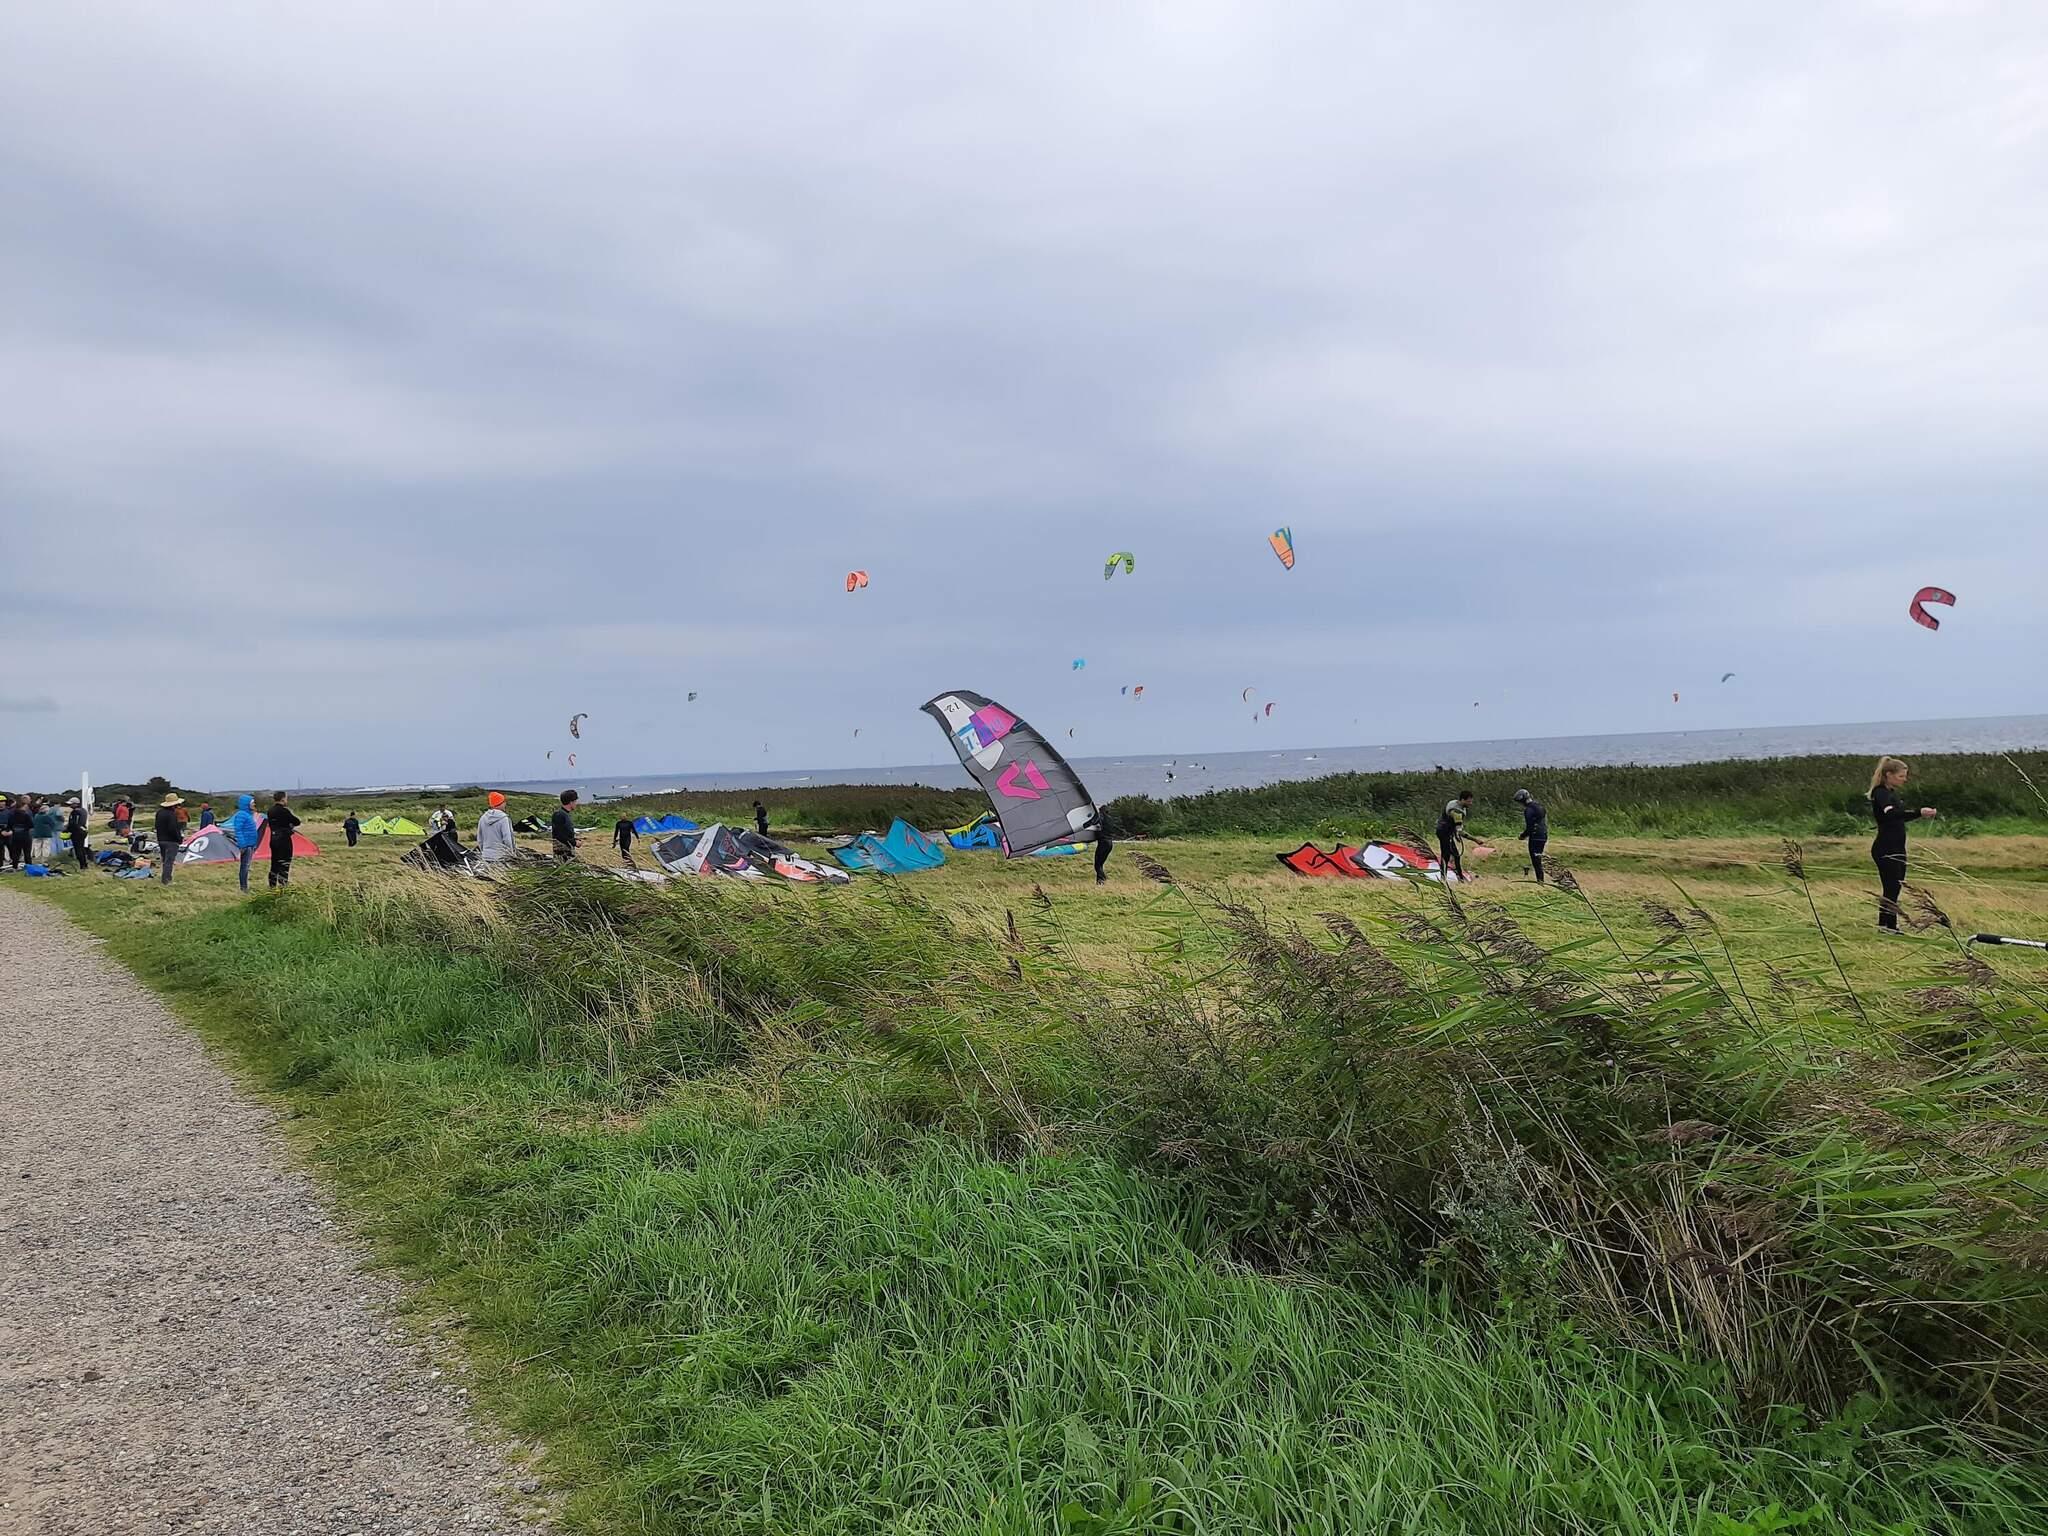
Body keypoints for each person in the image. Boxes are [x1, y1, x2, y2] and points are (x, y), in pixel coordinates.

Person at [1870, 757, 1936, 932]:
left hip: (1897, 847)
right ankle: (1889, 926)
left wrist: (1920, 814)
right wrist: (1918, 812)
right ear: (1889, 775)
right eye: (1901, 776)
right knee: (1891, 887)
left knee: (1895, 886)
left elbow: (1898, 816)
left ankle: (1885, 925)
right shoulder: (1880, 793)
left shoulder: (1892, 793)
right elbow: (1891, 814)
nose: (1904, 780)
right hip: (1886, 848)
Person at [1436, 789, 1476, 882]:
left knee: (1456, 855)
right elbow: (1460, 830)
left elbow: (1454, 826)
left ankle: (1460, 877)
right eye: (1468, 801)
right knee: (1446, 855)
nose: (1470, 803)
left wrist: (1455, 835)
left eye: (1471, 801)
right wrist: (1476, 840)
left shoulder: (1454, 803)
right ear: (1462, 800)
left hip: (1448, 832)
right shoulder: (1456, 812)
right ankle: (1443, 878)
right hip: (1443, 832)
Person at [1513, 788, 1549, 884]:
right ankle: (1541, 880)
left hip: (1535, 837)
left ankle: (1540, 881)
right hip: (1543, 835)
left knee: (1536, 860)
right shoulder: (1540, 806)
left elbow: (1530, 827)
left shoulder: (1528, 810)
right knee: (1539, 857)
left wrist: (1523, 835)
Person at [266, 792, 302, 887]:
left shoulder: (270, 811)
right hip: (284, 840)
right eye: (286, 798)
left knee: (274, 863)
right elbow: (297, 821)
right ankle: (283, 885)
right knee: (284, 863)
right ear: (282, 799)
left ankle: (272, 885)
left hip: (274, 839)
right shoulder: (284, 811)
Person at [228, 794, 262, 892]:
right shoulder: (241, 815)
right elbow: (238, 830)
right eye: (252, 803)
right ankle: (244, 887)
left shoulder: (248, 815)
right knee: (244, 867)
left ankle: (244, 886)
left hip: (250, 844)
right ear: (246, 804)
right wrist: (242, 844)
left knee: (246, 866)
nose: (254, 804)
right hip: (246, 845)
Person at [154, 795, 186, 884]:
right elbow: (173, 829)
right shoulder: (171, 814)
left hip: (161, 840)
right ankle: (167, 880)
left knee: (165, 860)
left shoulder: (159, 813)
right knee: (169, 861)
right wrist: (179, 838)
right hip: (171, 841)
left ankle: (165, 878)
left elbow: (157, 826)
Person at [477, 792, 515, 864]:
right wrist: (511, 853)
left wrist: (484, 851)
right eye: (504, 802)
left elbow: (479, 839)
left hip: (486, 856)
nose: (505, 804)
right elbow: (507, 839)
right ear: (500, 803)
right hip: (501, 857)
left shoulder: (483, 818)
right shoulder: (504, 818)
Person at [552, 789, 579, 859]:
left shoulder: (564, 814)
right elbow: (558, 835)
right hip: (562, 852)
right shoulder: (559, 815)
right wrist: (574, 843)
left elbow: (565, 833)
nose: (576, 803)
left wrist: (575, 839)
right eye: (575, 801)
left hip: (567, 850)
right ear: (571, 802)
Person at [4, 796, 30, 870]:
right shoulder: (26, 815)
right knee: (27, 852)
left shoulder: (11, 814)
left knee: (16, 852)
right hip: (25, 835)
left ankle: (15, 866)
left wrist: (10, 830)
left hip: (15, 835)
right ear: (22, 806)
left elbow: (9, 825)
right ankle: (29, 866)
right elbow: (31, 825)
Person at [30, 798, 58, 864]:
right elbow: (52, 824)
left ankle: (37, 858)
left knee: (37, 846)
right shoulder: (46, 816)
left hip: (37, 833)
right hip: (46, 833)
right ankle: (45, 859)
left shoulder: (36, 816)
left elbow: (33, 823)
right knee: (46, 846)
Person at [1092, 808, 1115, 884]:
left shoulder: (1101, 817)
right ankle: (1101, 880)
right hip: (1110, 843)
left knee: (1097, 864)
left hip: (1103, 842)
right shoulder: (1110, 819)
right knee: (1101, 863)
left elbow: (1093, 823)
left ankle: (1101, 880)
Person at [66, 798, 89, 871]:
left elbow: (73, 823)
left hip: (77, 832)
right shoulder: (83, 810)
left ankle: (82, 865)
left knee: (78, 849)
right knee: (82, 848)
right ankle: (85, 864)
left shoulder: (75, 812)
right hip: (83, 830)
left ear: (76, 804)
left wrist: (67, 829)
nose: (70, 805)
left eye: (71, 804)